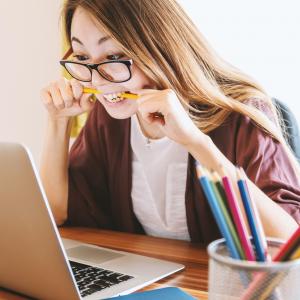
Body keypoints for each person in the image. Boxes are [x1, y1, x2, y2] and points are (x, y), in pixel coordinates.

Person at [40, 0, 300, 244]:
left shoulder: (241, 115)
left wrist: (195, 142)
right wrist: (58, 122)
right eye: (83, 58)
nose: (96, 82)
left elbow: (289, 244)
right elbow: (56, 212)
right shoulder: (111, 118)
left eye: (114, 56)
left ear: (159, 47)